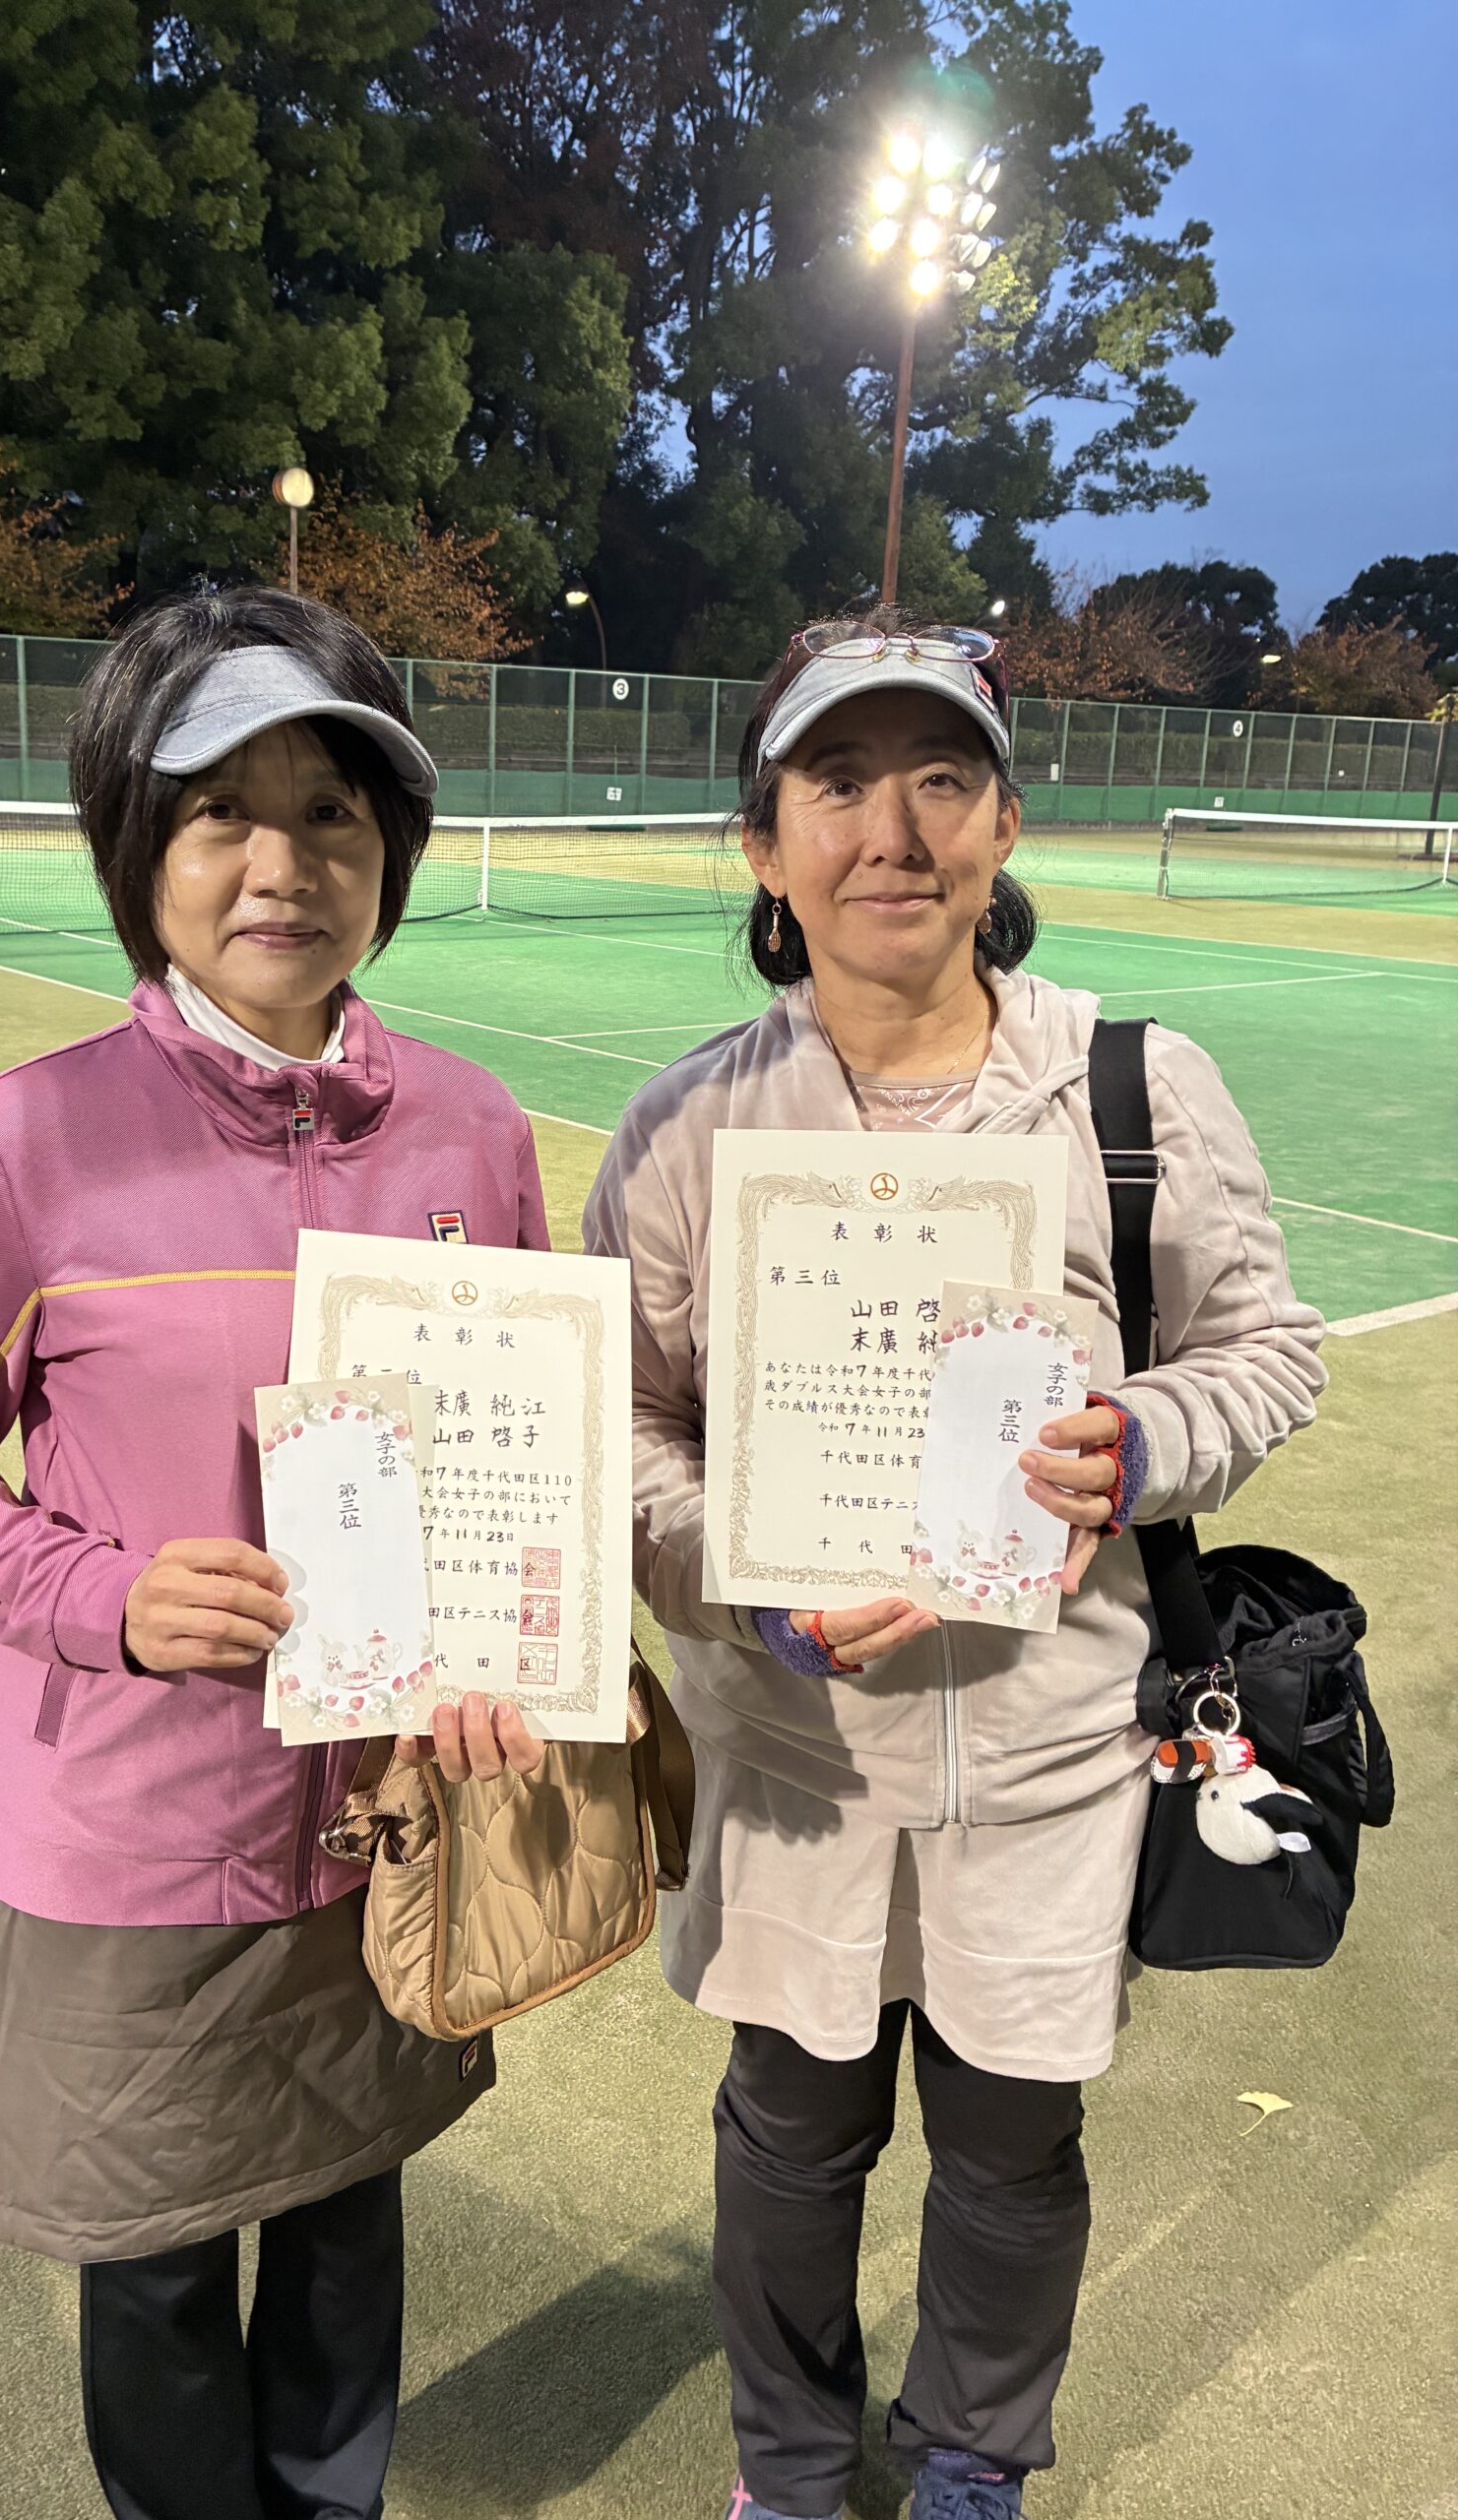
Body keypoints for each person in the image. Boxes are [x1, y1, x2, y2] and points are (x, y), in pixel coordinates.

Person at [582, 615, 1326, 2520]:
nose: (891, 831)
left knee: (1009, 2156)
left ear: (1003, 824)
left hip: (1054, 1748)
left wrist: (1139, 1442)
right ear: (767, 846)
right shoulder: (685, 1127)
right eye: (838, 784)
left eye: (941, 779)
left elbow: (1264, 1350)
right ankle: (788, 2468)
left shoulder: (1134, 1088)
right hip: (794, 1760)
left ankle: (972, 2456)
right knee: (787, 2140)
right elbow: (625, 1429)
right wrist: (740, 1579)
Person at [0, 587, 547, 2520]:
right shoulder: (25, 1140)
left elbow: (514, 1462)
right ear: (137, 847)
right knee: (154, 2267)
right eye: (221, 809)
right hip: (137, 1836)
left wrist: (517, 1643)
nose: (282, 864)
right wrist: (109, 1598)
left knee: (346, 2225)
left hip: (384, 1819)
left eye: (331, 812)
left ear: (388, 854)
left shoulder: (473, 1133)